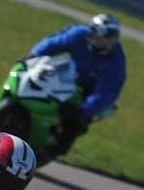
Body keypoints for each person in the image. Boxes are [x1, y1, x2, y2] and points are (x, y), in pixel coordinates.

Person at [29, 13, 126, 155]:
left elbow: (105, 93)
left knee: (74, 122)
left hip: (90, 94)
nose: (107, 41)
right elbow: (53, 43)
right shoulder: (79, 34)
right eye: (104, 36)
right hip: (68, 75)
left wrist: (83, 111)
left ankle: (56, 148)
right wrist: (33, 57)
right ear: (92, 31)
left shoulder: (116, 62)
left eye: (112, 37)